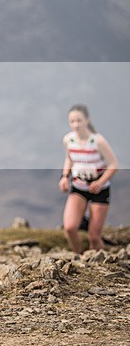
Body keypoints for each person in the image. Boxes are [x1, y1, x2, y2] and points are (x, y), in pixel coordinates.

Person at [58, 104, 119, 254]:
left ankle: (102, 264)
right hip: (79, 187)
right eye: (72, 121)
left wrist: (100, 182)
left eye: (79, 120)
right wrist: (65, 177)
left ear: (87, 120)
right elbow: (69, 159)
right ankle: (78, 257)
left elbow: (113, 164)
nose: (75, 125)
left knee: (94, 236)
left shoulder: (97, 141)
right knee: (70, 227)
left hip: (99, 190)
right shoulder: (68, 140)